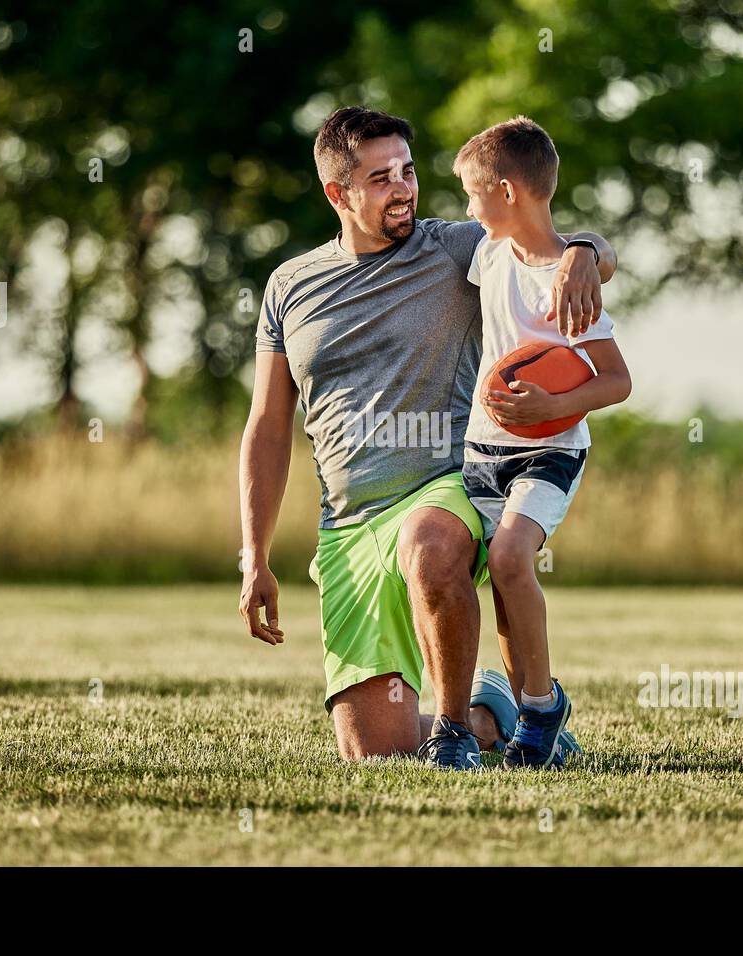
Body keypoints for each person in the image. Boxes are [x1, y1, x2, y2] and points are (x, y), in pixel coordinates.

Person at [238, 106, 615, 768]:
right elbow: (268, 425)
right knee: (375, 753)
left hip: (449, 486)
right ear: (338, 193)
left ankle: (452, 731)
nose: (405, 188)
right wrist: (255, 556)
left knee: (429, 542)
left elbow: (535, 224)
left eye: (407, 171)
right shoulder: (288, 287)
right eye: (381, 178)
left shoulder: (454, 248)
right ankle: (489, 714)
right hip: (349, 527)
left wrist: (587, 251)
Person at [454, 116, 632, 768]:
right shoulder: (487, 254)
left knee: (508, 558)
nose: (466, 210)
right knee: (505, 577)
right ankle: (538, 712)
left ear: (505, 192)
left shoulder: (570, 282)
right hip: (483, 447)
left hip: (551, 449)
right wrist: (592, 243)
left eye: (473, 195)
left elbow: (617, 381)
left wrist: (555, 405)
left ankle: (539, 708)